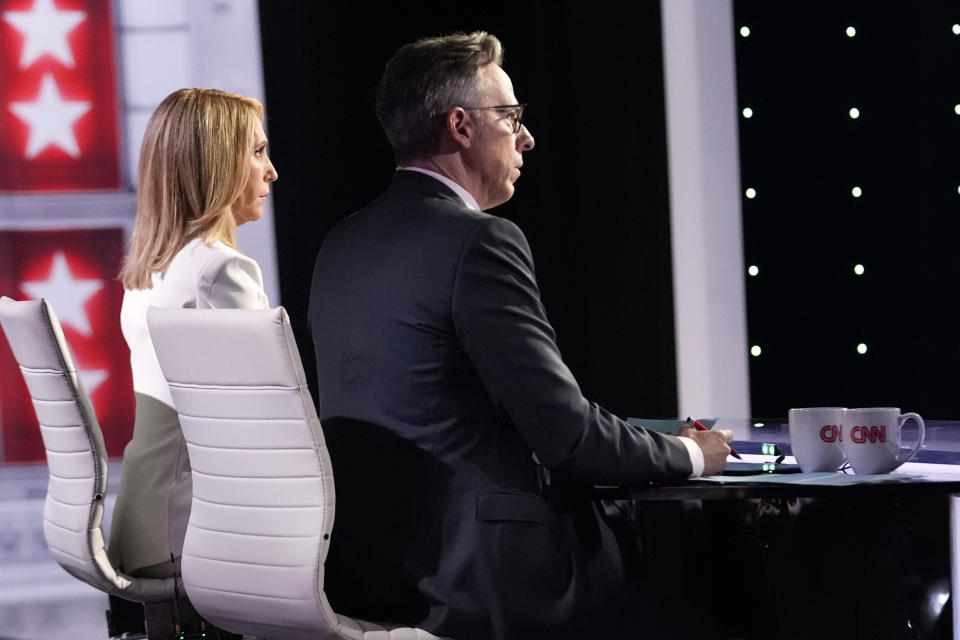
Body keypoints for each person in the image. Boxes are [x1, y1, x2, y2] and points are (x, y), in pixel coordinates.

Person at [307, 32, 731, 639]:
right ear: (460, 126)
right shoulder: (480, 241)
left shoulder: (340, 244)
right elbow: (567, 435)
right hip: (488, 584)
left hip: (369, 574)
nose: (526, 137)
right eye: (509, 117)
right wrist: (694, 454)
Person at [109, 88, 277, 579]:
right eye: (257, 152)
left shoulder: (147, 274)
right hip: (193, 533)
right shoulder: (220, 270)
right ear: (217, 165)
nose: (271, 172)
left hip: (140, 524)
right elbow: (273, 424)